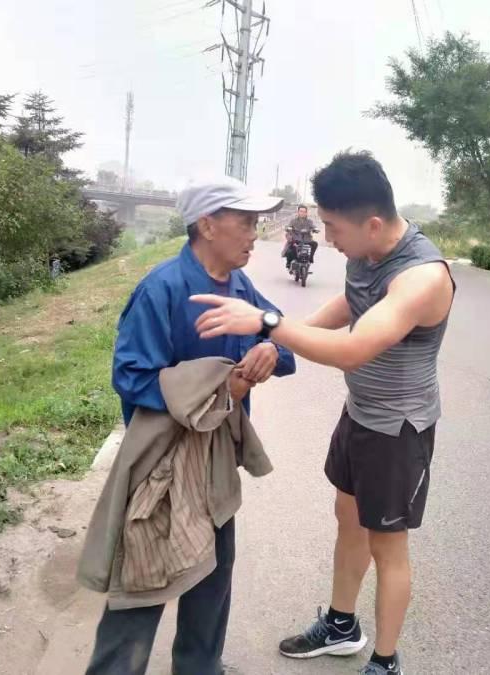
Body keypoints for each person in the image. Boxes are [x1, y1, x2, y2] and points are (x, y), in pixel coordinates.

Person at [190, 151, 455, 675]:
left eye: (333, 227)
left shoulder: (423, 277)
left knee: (389, 546)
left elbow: (355, 347)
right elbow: (346, 309)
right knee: (349, 521)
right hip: (360, 415)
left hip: (397, 432)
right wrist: (283, 337)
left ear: (373, 223)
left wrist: (267, 323)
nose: (328, 238)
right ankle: (341, 625)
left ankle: (385, 661)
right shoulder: (368, 252)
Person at [85, 176, 296, 675]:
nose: (254, 233)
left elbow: (281, 340)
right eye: (244, 222)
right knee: (143, 581)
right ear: (206, 224)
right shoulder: (162, 288)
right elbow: (131, 376)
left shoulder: (240, 288)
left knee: (213, 576)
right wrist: (219, 389)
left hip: (216, 459)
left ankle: (201, 667)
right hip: (162, 465)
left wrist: (269, 347)